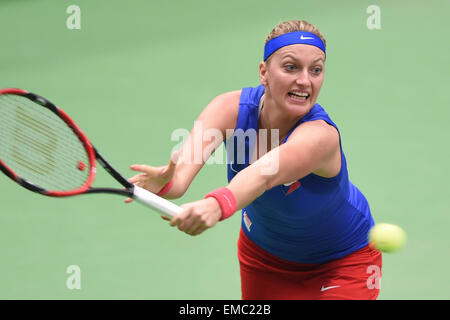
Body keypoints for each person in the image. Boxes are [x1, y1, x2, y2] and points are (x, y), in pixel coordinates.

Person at [127, 20, 382, 300]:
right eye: (290, 67)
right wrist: (166, 182)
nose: (305, 80)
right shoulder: (228, 110)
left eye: (316, 70)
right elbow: (180, 178)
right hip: (265, 259)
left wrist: (215, 204)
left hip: (342, 260)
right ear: (264, 73)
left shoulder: (320, 136)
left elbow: (265, 174)